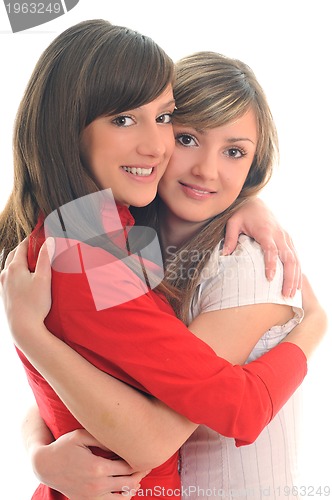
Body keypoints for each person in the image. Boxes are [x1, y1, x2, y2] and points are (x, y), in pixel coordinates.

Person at [0, 20, 326, 500]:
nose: (158, 146)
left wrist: (36, 450)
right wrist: (315, 322)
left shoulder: (108, 233)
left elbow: (108, 375)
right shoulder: (98, 248)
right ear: (67, 127)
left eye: (163, 118)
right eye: (189, 137)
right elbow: (218, 415)